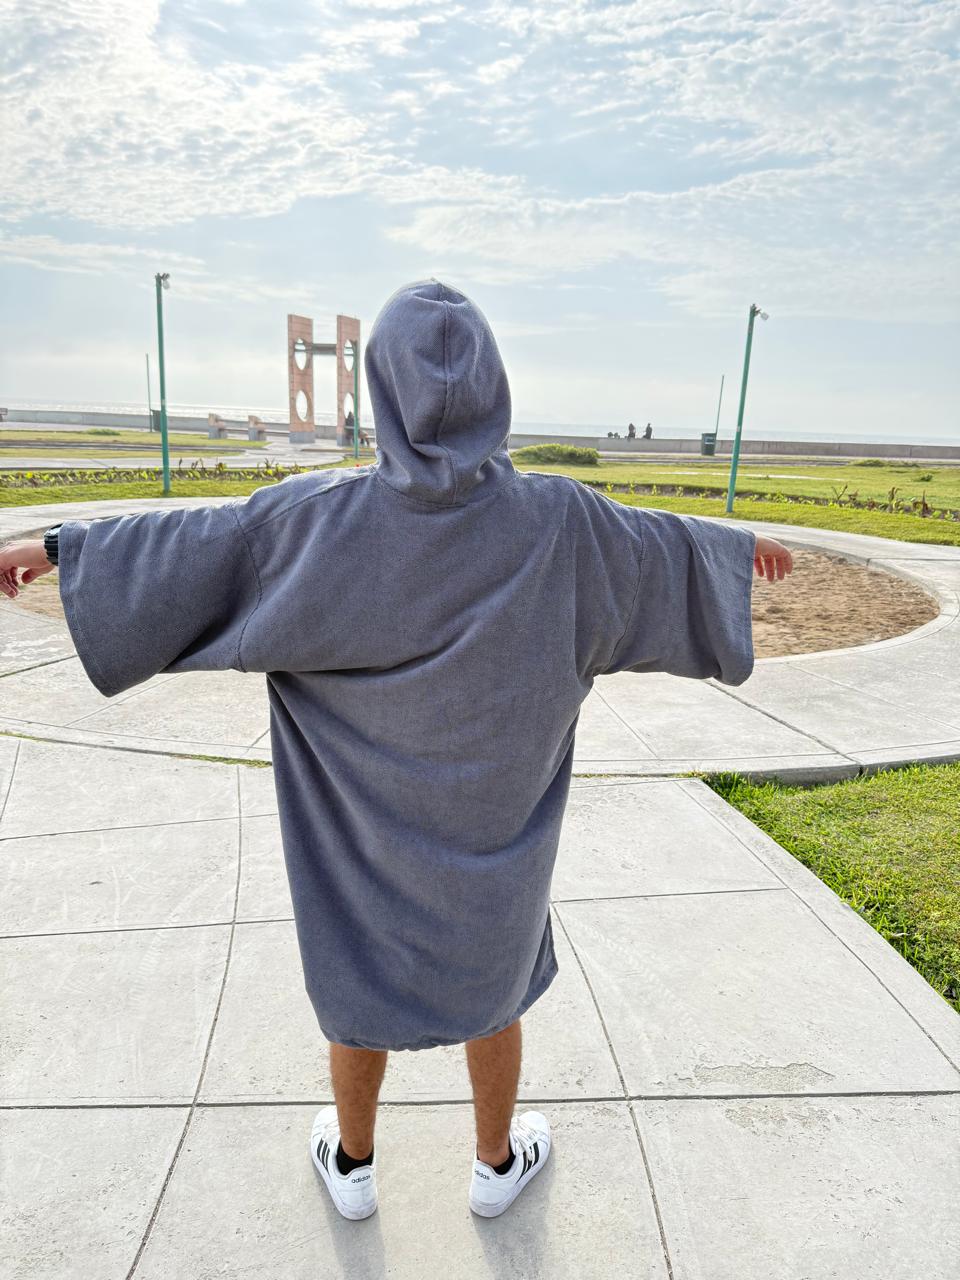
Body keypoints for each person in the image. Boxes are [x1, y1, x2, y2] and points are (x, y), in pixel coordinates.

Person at [0, 280, 793, 1225]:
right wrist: (735, 553)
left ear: (378, 386)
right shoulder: (566, 524)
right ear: (496, 387)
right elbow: (661, 551)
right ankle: (495, 1164)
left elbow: (192, 546)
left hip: (360, 839)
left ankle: (353, 1164)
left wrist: (57, 547)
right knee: (495, 981)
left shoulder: (312, 523)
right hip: (495, 837)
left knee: (357, 969)